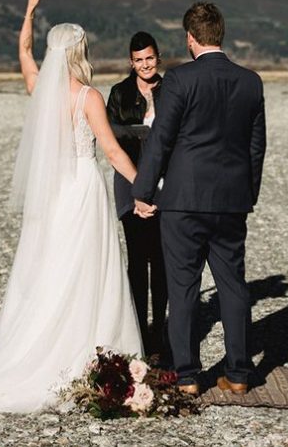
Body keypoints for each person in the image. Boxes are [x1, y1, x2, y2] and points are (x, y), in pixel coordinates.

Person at [0, 0, 143, 413]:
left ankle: (47, 345)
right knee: (90, 267)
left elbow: (25, 52)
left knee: (55, 266)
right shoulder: (88, 96)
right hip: (82, 188)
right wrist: (144, 186)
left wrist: (29, 10)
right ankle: (92, 349)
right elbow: (112, 152)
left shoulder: (40, 89)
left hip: (54, 194)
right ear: (80, 52)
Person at [132, 1, 267, 396]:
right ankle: (238, 373)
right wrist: (248, 193)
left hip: (184, 201)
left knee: (184, 288)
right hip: (231, 201)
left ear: (190, 38)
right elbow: (256, 146)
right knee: (233, 285)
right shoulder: (251, 82)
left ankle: (188, 377)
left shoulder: (179, 79)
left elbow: (161, 139)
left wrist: (143, 191)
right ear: (219, 34)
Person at [106, 32, 168, 356]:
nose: (145, 65)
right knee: (137, 260)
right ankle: (139, 333)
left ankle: (160, 332)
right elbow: (112, 136)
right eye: (139, 60)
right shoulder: (120, 93)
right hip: (129, 186)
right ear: (131, 62)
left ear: (158, 57)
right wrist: (145, 133)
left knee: (162, 261)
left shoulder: (170, 89)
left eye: (150, 58)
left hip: (164, 186)